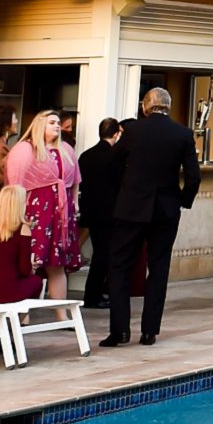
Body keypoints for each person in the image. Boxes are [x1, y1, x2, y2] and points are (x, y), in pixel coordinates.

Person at [103, 86, 202, 347]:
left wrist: (127, 186)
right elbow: (194, 176)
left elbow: (112, 161)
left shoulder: (133, 131)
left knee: (119, 266)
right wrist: (181, 200)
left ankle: (120, 330)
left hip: (132, 206)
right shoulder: (183, 133)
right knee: (158, 268)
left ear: (146, 105)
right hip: (166, 208)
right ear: (168, 106)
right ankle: (149, 331)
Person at [3, 110, 81, 299]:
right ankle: (24, 314)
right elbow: (15, 180)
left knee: (57, 265)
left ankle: (60, 314)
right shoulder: (25, 149)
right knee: (30, 262)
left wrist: (76, 203)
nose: (56, 125)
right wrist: (17, 211)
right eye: (51, 122)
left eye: (57, 122)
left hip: (61, 213)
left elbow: (75, 179)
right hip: (35, 210)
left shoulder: (66, 150)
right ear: (40, 125)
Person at [77, 117, 127, 309]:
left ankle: (94, 293)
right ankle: (95, 295)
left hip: (91, 211)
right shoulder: (115, 157)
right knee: (105, 256)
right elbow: (120, 184)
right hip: (110, 212)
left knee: (100, 253)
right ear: (116, 134)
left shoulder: (86, 155)